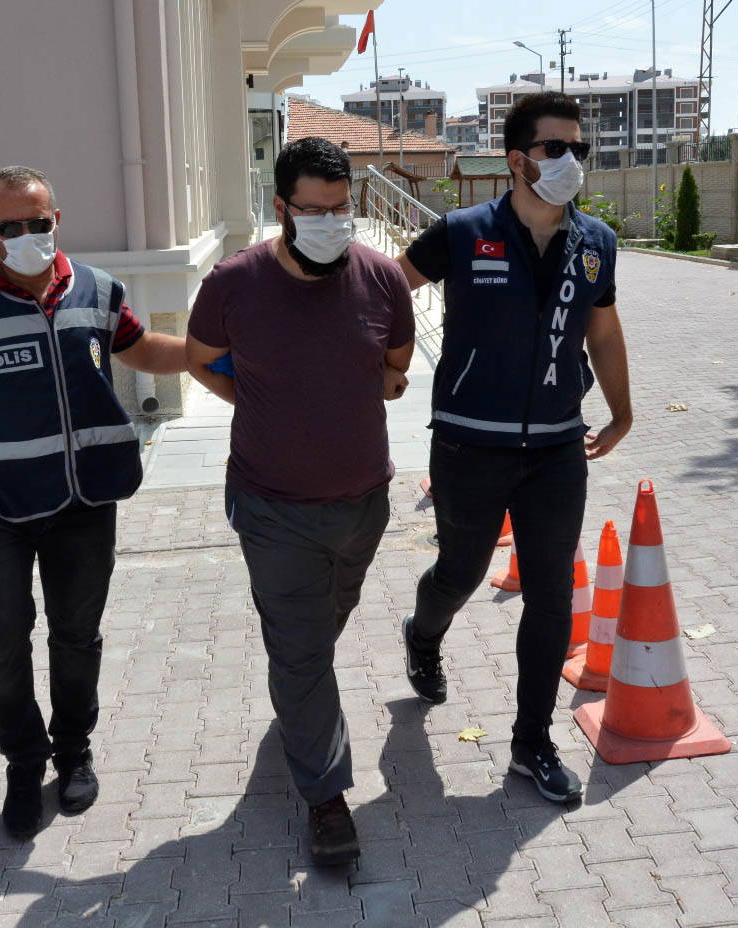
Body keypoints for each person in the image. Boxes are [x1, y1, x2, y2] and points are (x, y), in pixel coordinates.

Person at [0, 166, 187, 840]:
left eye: (39, 222)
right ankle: (24, 763)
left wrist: (209, 353)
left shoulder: (98, 291)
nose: (28, 234)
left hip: (84, 501)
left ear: (58, 219)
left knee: (77, 635)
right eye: (11, 226)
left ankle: (73, 750)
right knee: (0, 642)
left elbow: (143, 349)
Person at [396, 92, 632, 802]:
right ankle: (423, 634)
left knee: (552, 593)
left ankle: (532, 743)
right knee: (460, 573)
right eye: (556, 148)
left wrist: (621, 413)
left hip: (557, 446)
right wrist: (384, 363)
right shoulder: (463, 231)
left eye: (579, 149)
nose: (571, 161)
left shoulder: (596, 242)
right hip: (469, 444)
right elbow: (383, 291)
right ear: (518, 160)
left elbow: (603, 330)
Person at [185, 137, 414, 865]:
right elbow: (199, 359)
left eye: (340, 209)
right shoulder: (234, 282)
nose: (329, 222)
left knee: (322, 628)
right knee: (302, 649)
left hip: (362, 502)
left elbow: (395, 367)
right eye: (312, 210)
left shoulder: (382, 278)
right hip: (271, 504)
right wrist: (255, 397)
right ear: (281, 207)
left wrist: (365, 387)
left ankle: (300, 697)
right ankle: (325, 797)